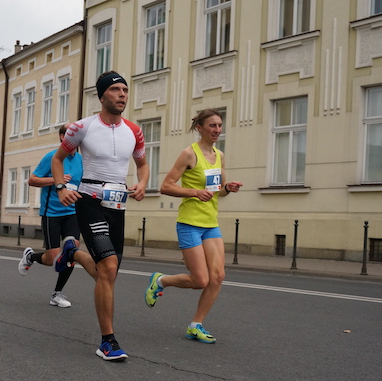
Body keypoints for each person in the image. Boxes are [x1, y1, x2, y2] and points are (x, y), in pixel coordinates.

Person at [52, 71, 149, 361]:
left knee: (109, 272)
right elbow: (58, 159)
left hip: (117, 205)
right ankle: (108, 341)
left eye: (125, 90)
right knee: (107, 268)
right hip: (89, 201)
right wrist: (61, 188)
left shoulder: (134, 131)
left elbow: (142, 165)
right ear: (102, 95)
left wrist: (143, 183)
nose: (122, 95)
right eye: (116, 90)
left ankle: (73, 253)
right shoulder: (82, 127)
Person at [144, 109, 243, 343]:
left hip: (210, 223)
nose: (217, 130)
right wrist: (194, 192)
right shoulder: (189, 154)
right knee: (200, 280)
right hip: (189, 223)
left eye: (219, 125)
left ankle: (195, 325)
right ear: (200, 128)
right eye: (212, 125)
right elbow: (166, 186)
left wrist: (228, 188)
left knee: (218, 276)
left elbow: (218, 191)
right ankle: (160, 281)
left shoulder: (220, 155)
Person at [18, 124, 83, 308]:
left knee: (71, 253)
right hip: (52, 213)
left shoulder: (80, 159)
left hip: (72, 212)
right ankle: (31, 257)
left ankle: (57, 294)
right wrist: (56, 180)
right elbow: (32, 180)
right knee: (53, 259)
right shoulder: (52, 157)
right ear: (62, 137)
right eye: (71, 134)